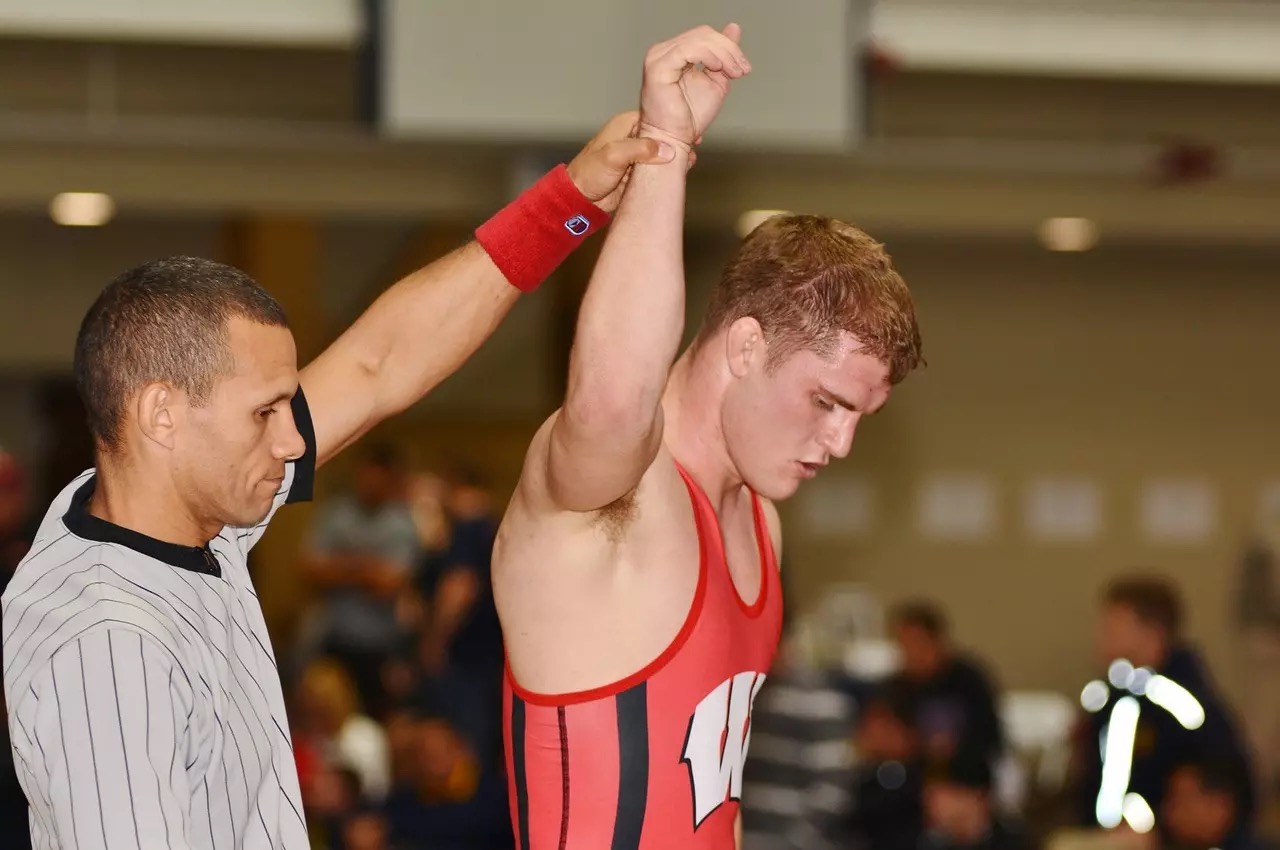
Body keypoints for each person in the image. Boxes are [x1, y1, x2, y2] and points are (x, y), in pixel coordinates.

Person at [1, 109, 675, 850]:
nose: (293, 439)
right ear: (161, 415)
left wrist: (570, 201)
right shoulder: (107, 645)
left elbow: (379, 363)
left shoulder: (170, 512)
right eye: (264, 412)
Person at [493, 23, 924, 850]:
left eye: (857, 418)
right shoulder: (616, 500)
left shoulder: (760, 522)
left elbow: (711, 809)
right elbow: (612, 399)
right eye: (826, 402)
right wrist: (667, 150)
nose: (840, 444)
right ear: (747, 346)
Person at [1074, 576, 1253, 841]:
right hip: (1108, 835)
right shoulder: (1109, 699)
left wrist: (1162, 830)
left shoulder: (1183, 703)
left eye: (1115, 627)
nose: (1103, 636)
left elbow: (1222, 792)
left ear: (1153, 631)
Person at [887, 600, 1004, 767]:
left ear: (937, 641)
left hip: (965, 775)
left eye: (916, 643)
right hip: (909, 776)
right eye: (903, 645)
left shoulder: (969, 681)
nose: (910, 653)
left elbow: (991, 741)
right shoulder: (896, 687)